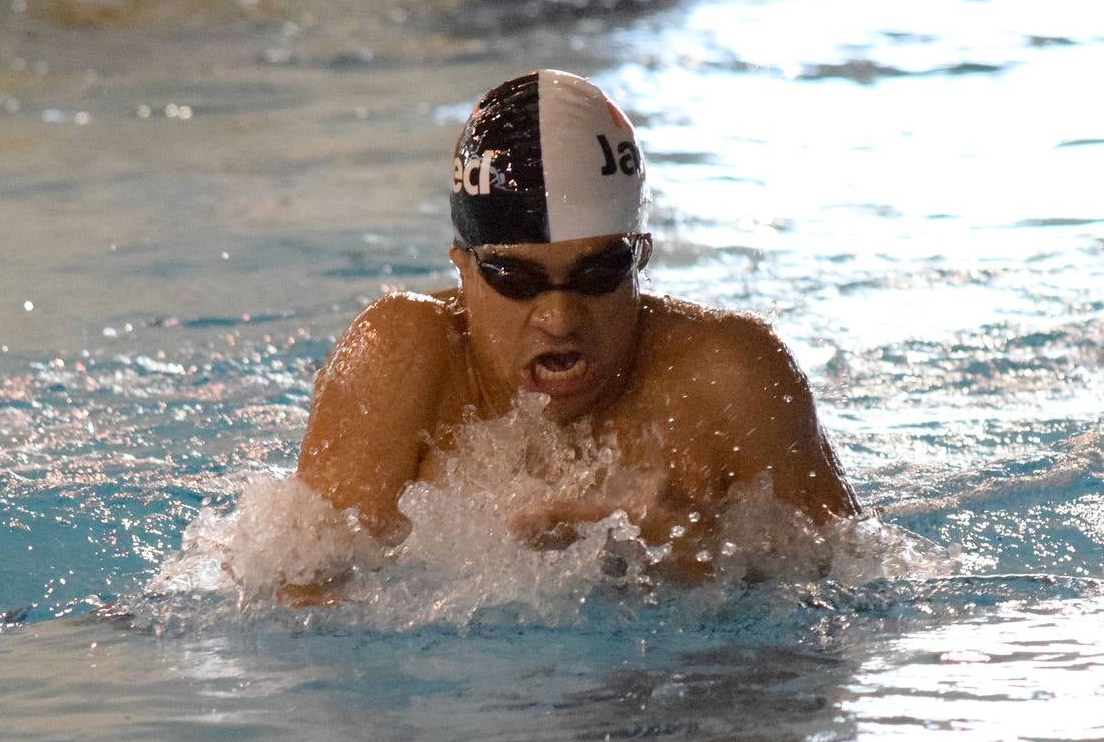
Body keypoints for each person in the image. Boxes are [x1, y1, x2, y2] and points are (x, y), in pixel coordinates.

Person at [295, 69, 860, 588]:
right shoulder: (398, 357)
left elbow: (856, 588)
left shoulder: (733, 377)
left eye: (597, 273)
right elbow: (297, 600)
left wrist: (691, 560)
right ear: (462, 267)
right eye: (515, 278)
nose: (560, 319)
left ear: (641, 258)